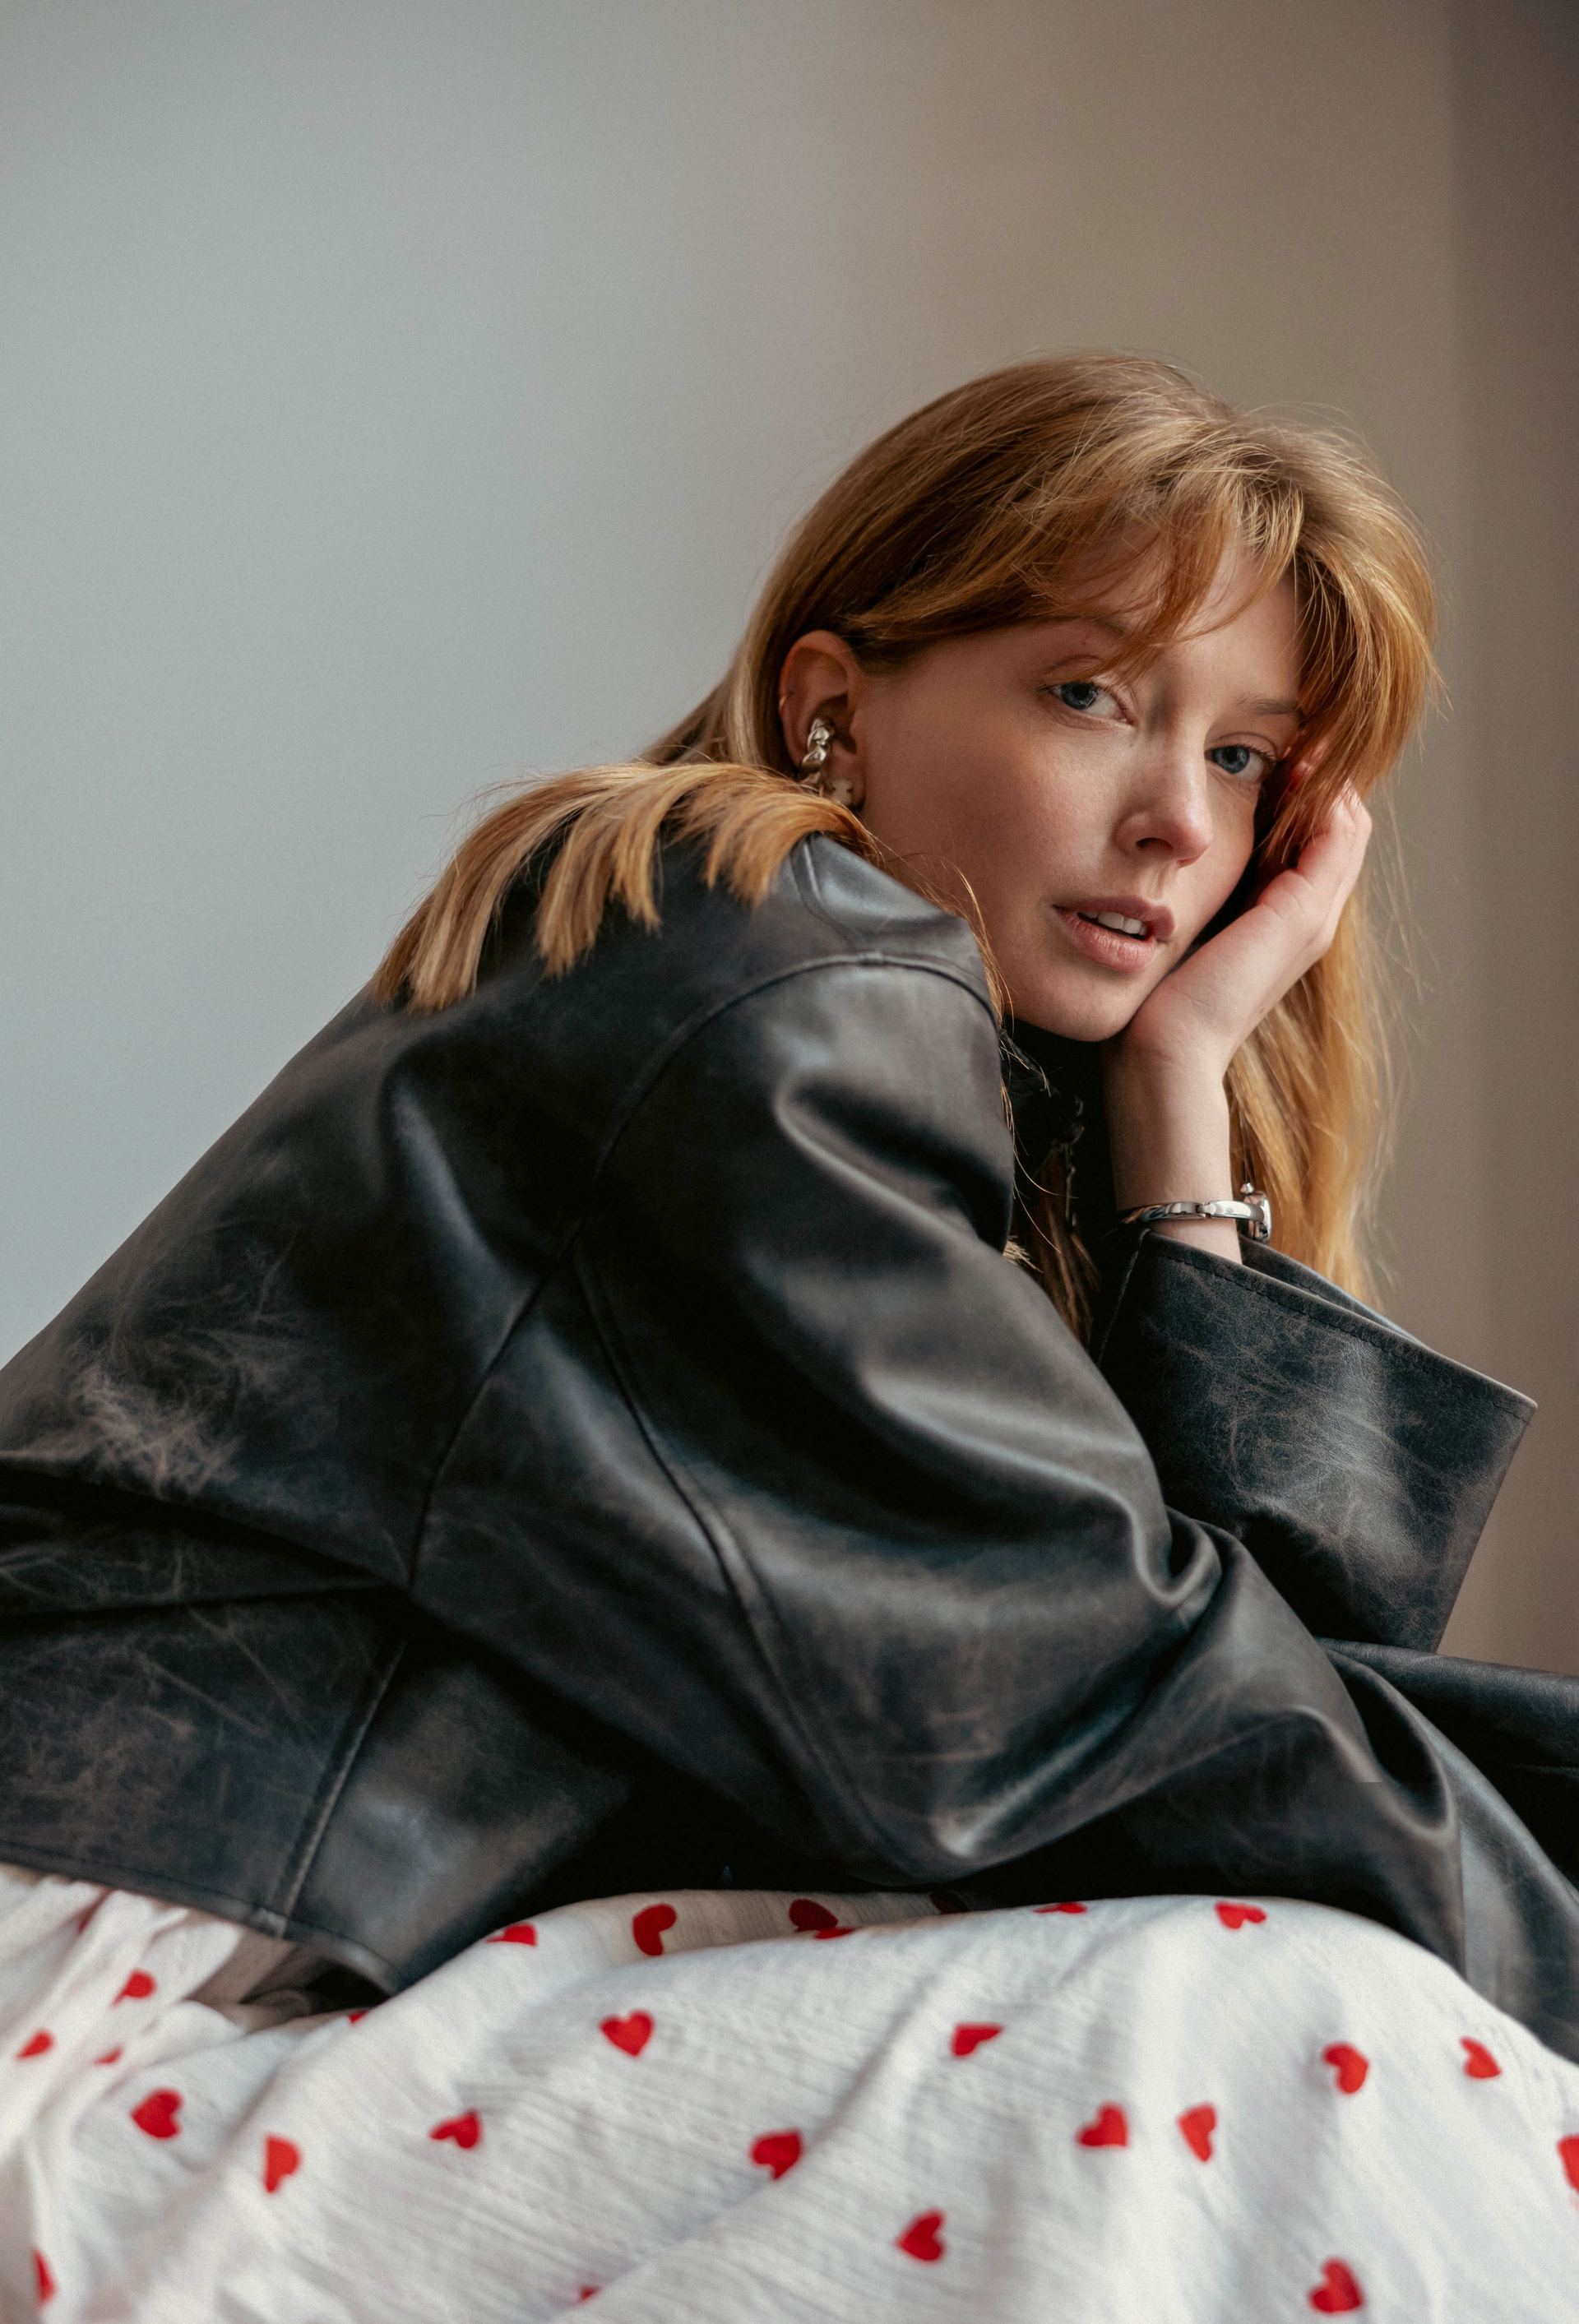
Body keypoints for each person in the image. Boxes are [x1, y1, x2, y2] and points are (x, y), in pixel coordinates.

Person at [1, 352, 1576, 2081]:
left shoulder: (899, 1043)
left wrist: (1182, 1097)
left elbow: (1227, 1705)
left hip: (252, 1926)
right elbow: (1122, 1704)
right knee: (1298, 2053)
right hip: (97, 1931)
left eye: (1245, 757)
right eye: (1089, 694)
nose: (1179, 822)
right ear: (835, 705)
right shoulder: (765, 969)